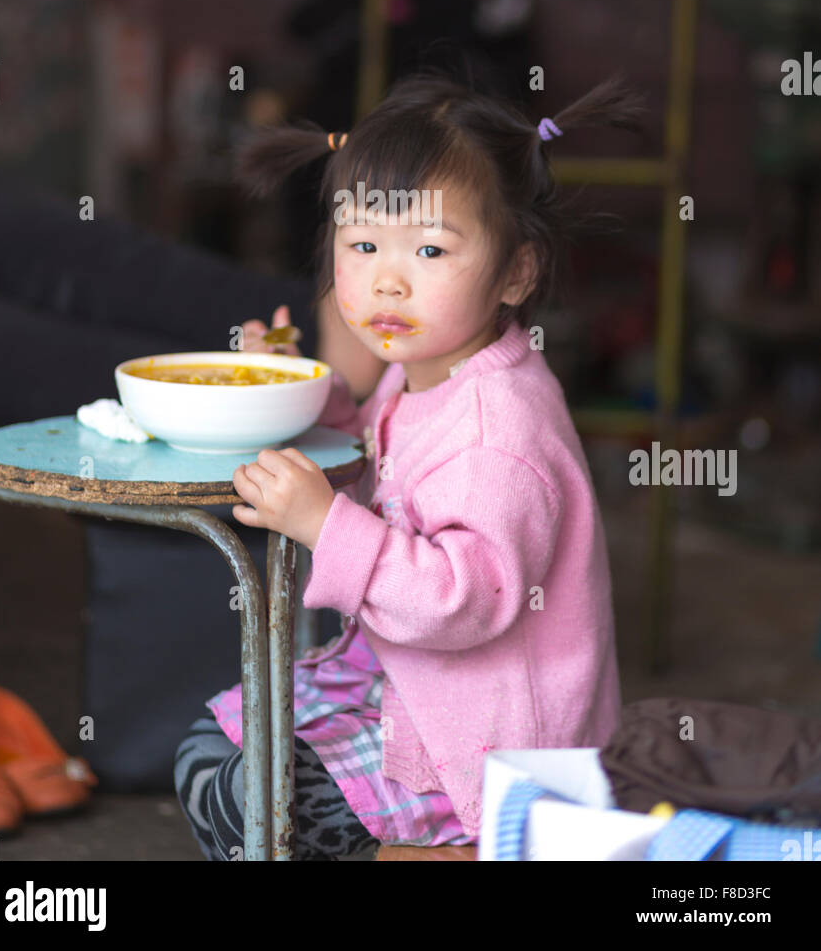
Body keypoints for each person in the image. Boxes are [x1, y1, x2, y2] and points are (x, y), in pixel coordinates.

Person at [174, 69, 645, 860]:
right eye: (362, 245)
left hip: (491, 742)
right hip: (415, 689)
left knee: (252, 796)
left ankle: (457, 853)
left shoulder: (501, 431)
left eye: (429, 248)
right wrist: (291, 388)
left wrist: (326, 523)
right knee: (205, 753)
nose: (387, 278)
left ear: (516, 271)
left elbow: (461, 600)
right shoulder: (424, 366)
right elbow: (382, 446)